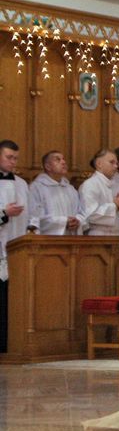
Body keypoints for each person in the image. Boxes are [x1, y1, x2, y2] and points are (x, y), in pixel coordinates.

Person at [0, 139, 30, 352]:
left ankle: (11, 343)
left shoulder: (22, 184)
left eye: (16, 158)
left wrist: (32, 227)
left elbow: (32, 212)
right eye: (9, 157)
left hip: (17, 246)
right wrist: (4, 214)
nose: (13, 162)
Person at [27, 151, 82, 236]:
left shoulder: (70, 189)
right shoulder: (36, 188)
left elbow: (79, 211)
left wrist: (77, 221)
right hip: (47, 239)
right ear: (47, 166)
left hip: (70, 238)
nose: (63, 162)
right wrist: (64, 222)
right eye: (58, 159)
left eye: (63, 159)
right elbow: (35, 218)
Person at [78, 150, 119, 236]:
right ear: (99, 164)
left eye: (116, 163)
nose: (116, 166)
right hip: (98, 236)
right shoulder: (89, 185)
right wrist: (115, 206)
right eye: (112, 162)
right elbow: (90, 215)